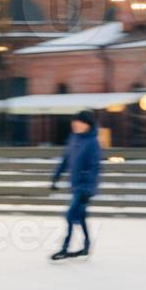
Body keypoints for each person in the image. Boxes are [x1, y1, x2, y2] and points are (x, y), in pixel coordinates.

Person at [49, 109, 101, 261]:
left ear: (87, 125)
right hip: (75, 186)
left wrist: (88, 190)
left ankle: (65, 248)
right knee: (81, 216)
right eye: (74, 123)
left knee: (71, 215)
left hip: (84, 188)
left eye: (79, 123)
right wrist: (56, 177)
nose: (75, 125)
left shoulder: (92, 143)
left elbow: (94, 168)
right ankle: (86, 246)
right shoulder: (73, 139)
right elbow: (66, 160)